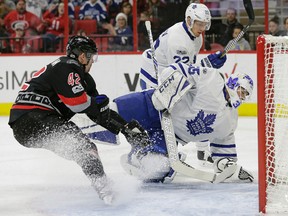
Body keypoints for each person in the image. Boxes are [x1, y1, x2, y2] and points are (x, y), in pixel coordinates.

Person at [8, 36, 150, 205]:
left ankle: (102, 184)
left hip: (24, 128)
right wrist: (96, 104)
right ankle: (106, 191)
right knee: (85, 149)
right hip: (36, 117)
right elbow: (77, 103)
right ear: (83, 56)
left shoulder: (79, 76)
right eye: (92, 57)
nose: (92, 62)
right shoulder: (68, 66)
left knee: (82, 150)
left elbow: (97, 113)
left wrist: (125, 128)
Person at [111, 62, 254, 183]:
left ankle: (137, 155)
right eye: (242, 90)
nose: (242, 96)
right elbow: (175, 69)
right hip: (153, 107)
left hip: (169, 134)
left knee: (158, 167)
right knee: (110, 113)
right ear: (233, 83)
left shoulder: (230, 122)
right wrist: (168, 91)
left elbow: (224, 152)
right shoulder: (212, 78)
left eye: (245, 95)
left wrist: (226, 165)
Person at [139, 2, 227, 164]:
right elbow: (180, 75)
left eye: (205, 24)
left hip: (168, 71)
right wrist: (207, 64)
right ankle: (154, 153)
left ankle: (198, 148)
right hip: (154, 74)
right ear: (188, 20)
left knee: (191, 103)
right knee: (161, 115)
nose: (202, 28)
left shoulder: (196, 36)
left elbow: (188, 69)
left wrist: (205, 65)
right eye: (199, 24)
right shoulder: (178, 40)